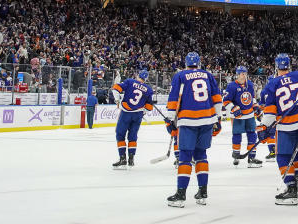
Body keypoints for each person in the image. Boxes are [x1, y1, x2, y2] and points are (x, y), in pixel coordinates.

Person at [165, 53, 222, 207]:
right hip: (208, 118)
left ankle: (181, 195)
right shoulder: (207, 75)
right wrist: (218, 117)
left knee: (184, 157)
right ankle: (203, 192)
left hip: (188, 120)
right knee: (201, 155)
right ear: (198, 63)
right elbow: (217, 97)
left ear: (186, 63)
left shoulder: (180, 76)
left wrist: (170, 118)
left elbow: (173, 98)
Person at [259, 53, 298, 206]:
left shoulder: (272, 83)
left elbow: (270, 110)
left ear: (276, 66)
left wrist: (264, 127)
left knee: (282, 156)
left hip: (286, 125)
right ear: (289, 65)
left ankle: (291, 188)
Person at [110, 70, 153, 168]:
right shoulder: (149, 89)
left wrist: (117, 100)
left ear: (138, 75)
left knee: (120, 134)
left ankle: (122, 158)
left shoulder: (130, 81)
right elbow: (149, 107)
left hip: (126, 112)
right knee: (133, 136)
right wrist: (143, 111)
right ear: (146, 79)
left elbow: (116, 88)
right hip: (138, 115)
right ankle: (131, 159)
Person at [223, 65, 262, 168]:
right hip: (239, 116)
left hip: (249, 115)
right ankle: (236, 155)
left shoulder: (249, 84)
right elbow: (226, 101)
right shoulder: (231, 86)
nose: (243, 75)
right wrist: (233, 108)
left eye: (245, 73)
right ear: (237, 74)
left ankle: (251, 158)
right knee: (237, 135)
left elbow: (252, 97)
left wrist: (255, 105)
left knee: (252, 135)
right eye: (241, 73)